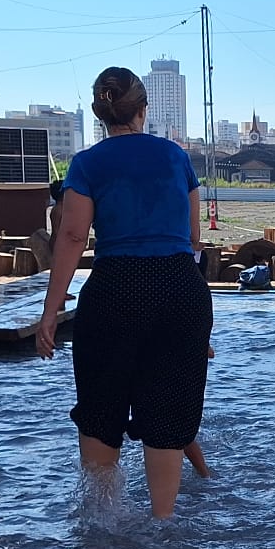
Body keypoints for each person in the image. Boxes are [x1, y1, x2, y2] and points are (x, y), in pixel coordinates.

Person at [37, 66, 213, 520]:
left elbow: (73, 238)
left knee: (101, 406)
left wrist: (51, 312)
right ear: (142, 109)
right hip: (178, 285)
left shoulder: (88, 163)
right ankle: (162, 524)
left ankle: (102, 521)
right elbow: (193, 238)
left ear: (102, 115)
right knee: (168, 412)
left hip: (115, 287)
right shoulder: (176, 156)